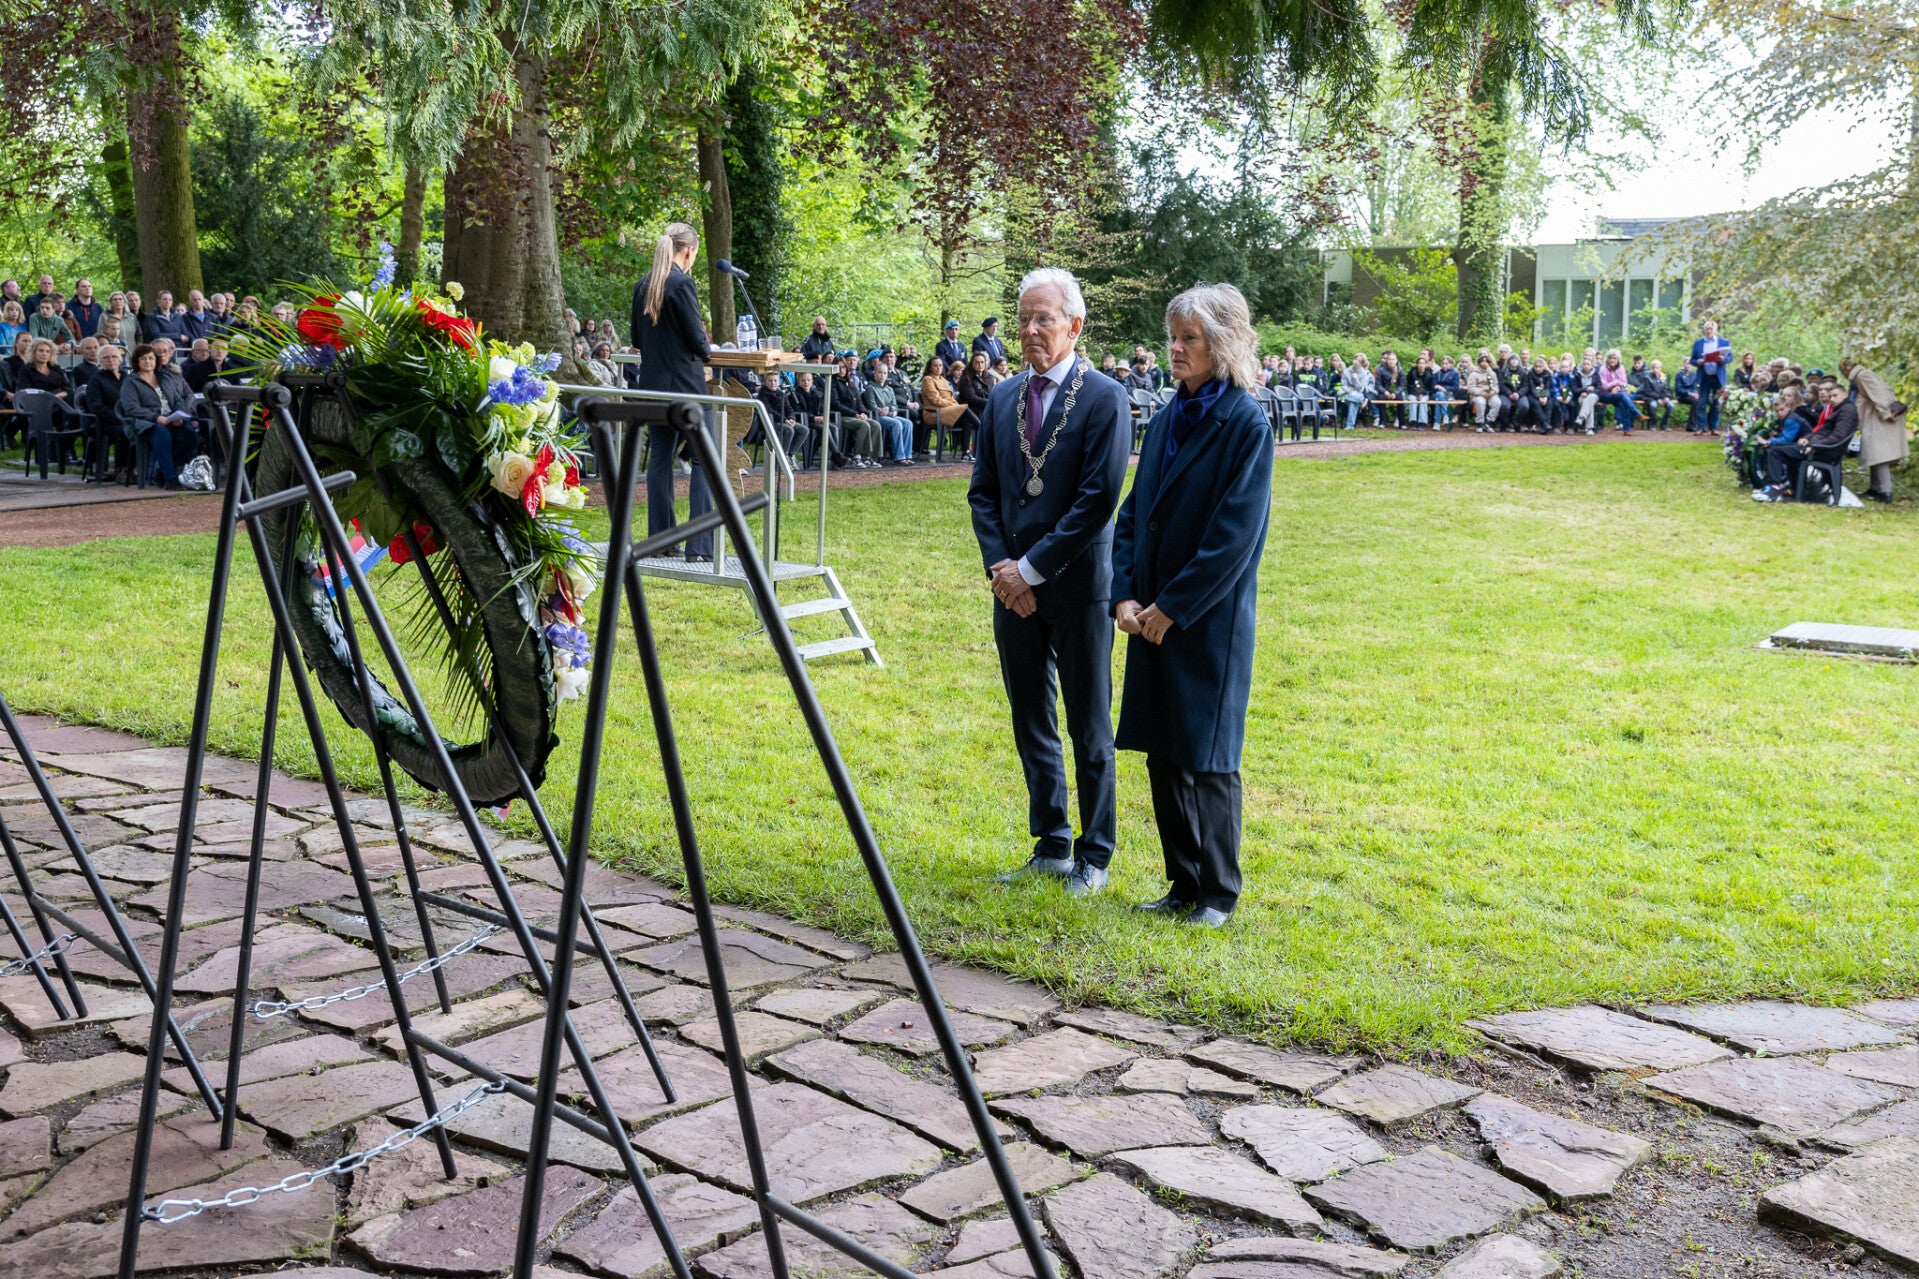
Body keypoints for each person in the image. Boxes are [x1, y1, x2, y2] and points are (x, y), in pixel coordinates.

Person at [1112, 282, 1271, 928]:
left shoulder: (1244, 423)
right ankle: (1180, 881)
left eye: (1188, 339)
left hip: (1205, 621)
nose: (1174, 349)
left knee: (1206, 756)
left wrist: (1171, 606)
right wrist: (1124, 593)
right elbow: (1132, 514)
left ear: (1222, 343)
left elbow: (1232, 536)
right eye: (1171, 338)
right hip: (1147, 614)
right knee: (1162, 750)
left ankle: (1217, 891)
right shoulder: (1166, 415)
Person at [968, 266, 1129, 897]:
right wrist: (1003, 571)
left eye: (1045, 319)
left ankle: (1096, 853)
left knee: (1089, 724)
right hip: (1013, 588)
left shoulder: (1105, 398)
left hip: (1077, 584)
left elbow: (1097, 500)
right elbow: (983, 493)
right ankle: (1052, 842)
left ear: (1075, 325)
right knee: (1030, 713)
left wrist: (1029, 570)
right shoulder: (1004, 396)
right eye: (1024, 318)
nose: (1032, 331)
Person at [630, 222, 717, 560]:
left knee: (660, 461)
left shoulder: (642, 286)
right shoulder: (682, 284)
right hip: (686, 387)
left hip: (652, 387)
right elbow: (698, 341)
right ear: (690, 251)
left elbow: (638, 340)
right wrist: (706, 351)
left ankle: (662, 541)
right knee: (703, 461)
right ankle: (699, 546)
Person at [1756, 379, 1857, 501]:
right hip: (1816, 447)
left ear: (1845, 394)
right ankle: (1791, 486)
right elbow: (1822, 430)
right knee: (1778, 448)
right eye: (1830, 397)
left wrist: (1815, 446)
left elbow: (1838, 436)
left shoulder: (1847, 410)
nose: (1832, 399)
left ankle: (1774, 486)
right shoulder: (1839, 408)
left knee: (1775, 451)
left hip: (1823, 451)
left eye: (1835, 396)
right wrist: (1806, 438)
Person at [119, 343, 196, 488]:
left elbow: (178, 400)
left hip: (170, 419)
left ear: (156, 361)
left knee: (189, 435)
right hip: (143, 423)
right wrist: (156, 417)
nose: (148, 362)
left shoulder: (164, 378)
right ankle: (170, 478)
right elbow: (131, 408)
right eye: (143, 359)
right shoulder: (130, 382)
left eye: (151, 358)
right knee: (162, 433)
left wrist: (178, 415)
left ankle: (161, 472)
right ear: (137, 361)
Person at [1844, 358, 1908, 502]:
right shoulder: (1862, 375)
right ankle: (1875, 488)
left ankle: (1885, 492)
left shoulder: (1862, 376)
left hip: (1882, 419)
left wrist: (1887, 413)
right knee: (1873, 453)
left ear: (1847, 369)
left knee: (1880, 455)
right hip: (1875, 418)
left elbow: (1878, 395)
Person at [83, 342, 128, 482]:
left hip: (129, 418)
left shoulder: (128, 377)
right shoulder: (96, 380)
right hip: (105, 422)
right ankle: (122, 469)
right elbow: (96, 407)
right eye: (106, 357)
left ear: (120, 359)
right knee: (125, 431)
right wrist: (119, 418)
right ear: (100, 361)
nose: (110, 360)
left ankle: (146, 468)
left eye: (114, 357)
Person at [862, 351, 914, 465]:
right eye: (880, 373)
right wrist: (888, 411)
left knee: (908, 423)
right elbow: (873, 407)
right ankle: (899, 457)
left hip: (888, 415)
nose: (882, 375)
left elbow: (894, 404)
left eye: (885, 373)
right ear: (874, 374)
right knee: (897, 424)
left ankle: (907, 455)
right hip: (878, 417)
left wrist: (890, 410)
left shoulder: (889, 389)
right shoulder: (870, 388)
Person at [921, 356, 978, 458]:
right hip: (934, 413)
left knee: (967, 420)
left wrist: (954, 405)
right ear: (930, 367)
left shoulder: (943, 379)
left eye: (940, 365)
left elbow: (951, 398)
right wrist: (953, 405)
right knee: (965, 408)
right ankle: (982, 427)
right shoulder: (927, 379)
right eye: (935, 366)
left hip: (947, 411)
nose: (938, 368)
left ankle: (966, 452)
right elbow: (935, 400)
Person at [1690, 320, 1732, 434]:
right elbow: (1692, 360)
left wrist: (1723, 359)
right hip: (1704, 377)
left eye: (1711, 329)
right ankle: (1701, 427)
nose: (1709, 331)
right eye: (1707, 329)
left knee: (1717, 403)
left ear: (1715, 330)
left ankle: (1714, 427)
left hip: (1718, 377)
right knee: (1701, 402)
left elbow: (1730, 358)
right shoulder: (1698, 343)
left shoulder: (1723, 342)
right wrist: (1697, 362)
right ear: (1704, 330)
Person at [1597, 350, 1641, 431]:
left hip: (1617, 393)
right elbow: (1604, 386)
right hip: (1604, 394)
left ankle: (1627, 429)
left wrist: (1616, 388)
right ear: (1607, 359)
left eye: (1614, 358)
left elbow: (1624, 383)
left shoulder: (1621, 368)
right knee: (1622, 396)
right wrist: (1616, 382)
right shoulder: (1602, 369)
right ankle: (1636, 413)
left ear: (1618, 359)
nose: (1612, 360)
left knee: (1622, 401)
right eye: (1610, 358)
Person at [1340, 352, 1374, 429]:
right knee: (1353, 401)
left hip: (1359, 393)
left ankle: (1349, 425)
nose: (1356, 362)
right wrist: (1348, 390)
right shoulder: (1347, 371)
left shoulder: (1364, 374)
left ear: (1362, 364)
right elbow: (1344, 384)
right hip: (1347, 391)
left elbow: (1360, 388)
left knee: (1353, 400)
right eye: (1356, 359)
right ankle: (1362, 402)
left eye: (1359, 361)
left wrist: (1355, 379)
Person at [1465, 353, 1496, 430]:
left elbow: (1496, 385)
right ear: (1479, 363)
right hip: (1478, 394)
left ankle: (1489, 422)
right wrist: (1481, 393)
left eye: (1486, 361)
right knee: (1480, 402)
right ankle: (1480, 423)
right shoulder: (1474, 374)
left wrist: (1493, 391)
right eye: (1482, 361)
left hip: (1490, 394)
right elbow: (1471, 388)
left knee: (1497, 402)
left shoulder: (1492, 373)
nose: (1484, 363)